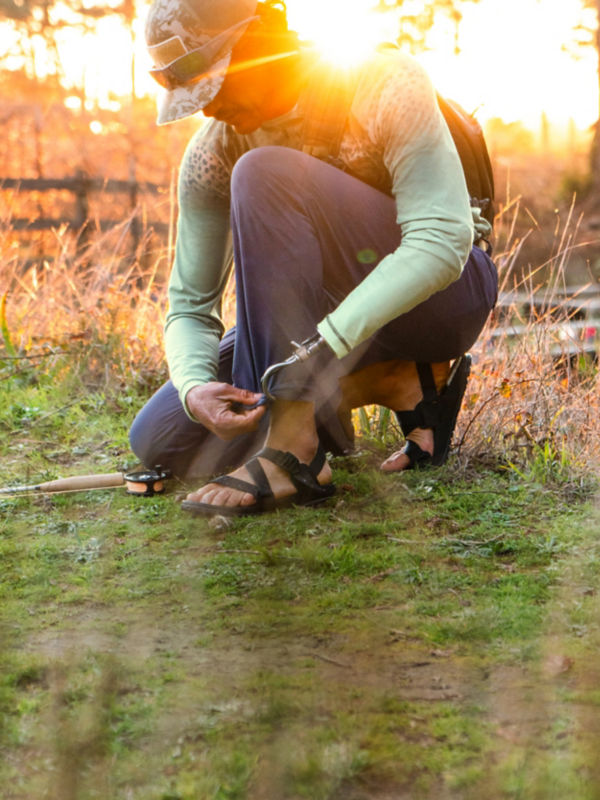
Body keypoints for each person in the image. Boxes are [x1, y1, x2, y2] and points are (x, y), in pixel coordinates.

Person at [129, 0, 498, 516]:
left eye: (214, 84)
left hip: (443, 300)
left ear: (259, 41)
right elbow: (191, 304)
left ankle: (294, 448)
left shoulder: (382, 82)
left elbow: (441, 241)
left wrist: (317, 350)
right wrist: (193, 388)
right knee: (161, 436)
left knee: (265, 174)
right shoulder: (212, 153)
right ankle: (395, 381)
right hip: (318, 333)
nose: (207, 108)